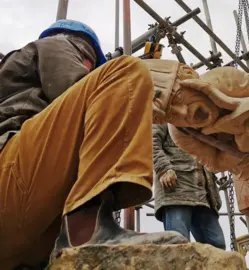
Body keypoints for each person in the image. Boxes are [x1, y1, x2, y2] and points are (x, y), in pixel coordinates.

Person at [0, 20, 187, 269]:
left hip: (24, 230)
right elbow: (76, 86)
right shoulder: (59, 44)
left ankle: (79, 233)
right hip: (10, 176)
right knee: (125, 73)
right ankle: (88, 232)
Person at [153, 123, 226, 250]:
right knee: (178, 245)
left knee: (217, 244)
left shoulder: (204, 120)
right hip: (176, 191)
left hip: (204, 194)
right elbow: (151, 141)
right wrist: (163, 168)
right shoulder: (164, 114)